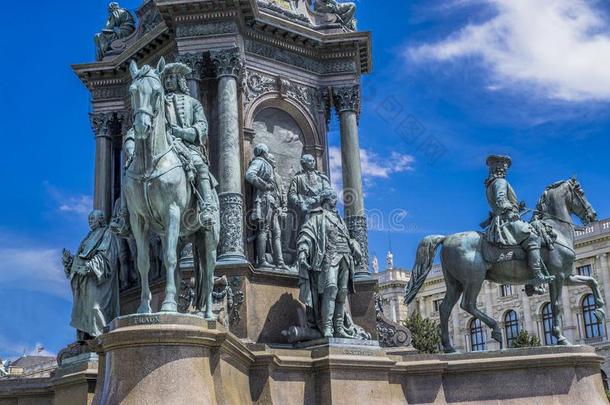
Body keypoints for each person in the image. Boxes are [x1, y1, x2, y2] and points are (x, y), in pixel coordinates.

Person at [111, 62, 217, 234]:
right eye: (165, 78)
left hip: (186, 146)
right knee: (129, 173)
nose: (168, 81)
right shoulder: (157, 100)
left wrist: (181, 132)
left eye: (172, 77)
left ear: (180, 80)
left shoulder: (193, 103)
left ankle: (207, 207)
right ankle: (123, 217)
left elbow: (202, 128)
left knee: (200, 166)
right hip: (160, 145)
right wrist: (130, 142)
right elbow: (139, 124)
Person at [297, 189, 362, 338]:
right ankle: (327, 328)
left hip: (345, 257)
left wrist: (353, 244)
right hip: (329, 257)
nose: (336, 200)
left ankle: (338, 328)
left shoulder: (339, 219)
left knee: (342, 293)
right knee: (330, 289)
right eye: (333, 198)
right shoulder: (317, 217)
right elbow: (306, 234)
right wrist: (302, 252)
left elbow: (347, 237)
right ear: (326, 199)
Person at [481, 155, 555, 287]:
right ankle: (537, 275)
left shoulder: (490, 184)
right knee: (532, 237)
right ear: (499, 168)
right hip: (506, 221)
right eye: (504, 166)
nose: (506, 169)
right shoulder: (500, 182)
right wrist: (510, 208)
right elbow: (501, 199)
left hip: (501, 220)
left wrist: (517, 207)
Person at [62, 210, 120, 340]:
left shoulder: (107, 233)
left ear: (100, 219)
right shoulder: (88, 236)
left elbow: (105, 255)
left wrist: (89, 267)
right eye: (89, 219)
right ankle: (86, 340)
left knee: (95, 307)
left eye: (92, 218)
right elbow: (81, 257)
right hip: (84, 280)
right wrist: (70, 261)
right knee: (83, 311)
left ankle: (101, 339)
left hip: (97, 278)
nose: (90, 221)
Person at [245, 144, 288, 268]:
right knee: (263, 230)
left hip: (272, 203)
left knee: (276, 233)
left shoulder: (266, 164)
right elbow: (249, 175)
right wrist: (264, 185)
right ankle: (262, 260)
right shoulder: (259, 162)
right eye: (267, 152)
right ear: (264, 152)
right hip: (264, 200)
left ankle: (280, 262)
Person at [288, 154, 331, 231]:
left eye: (313, 161)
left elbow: (329, 191)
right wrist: (299, 202)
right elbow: (292, 194)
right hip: (305, 212)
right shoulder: (297, 178)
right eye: (310, 161)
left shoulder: (321, 177)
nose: (313, 163)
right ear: (304, 163)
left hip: (320, 210)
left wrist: (316, 199)